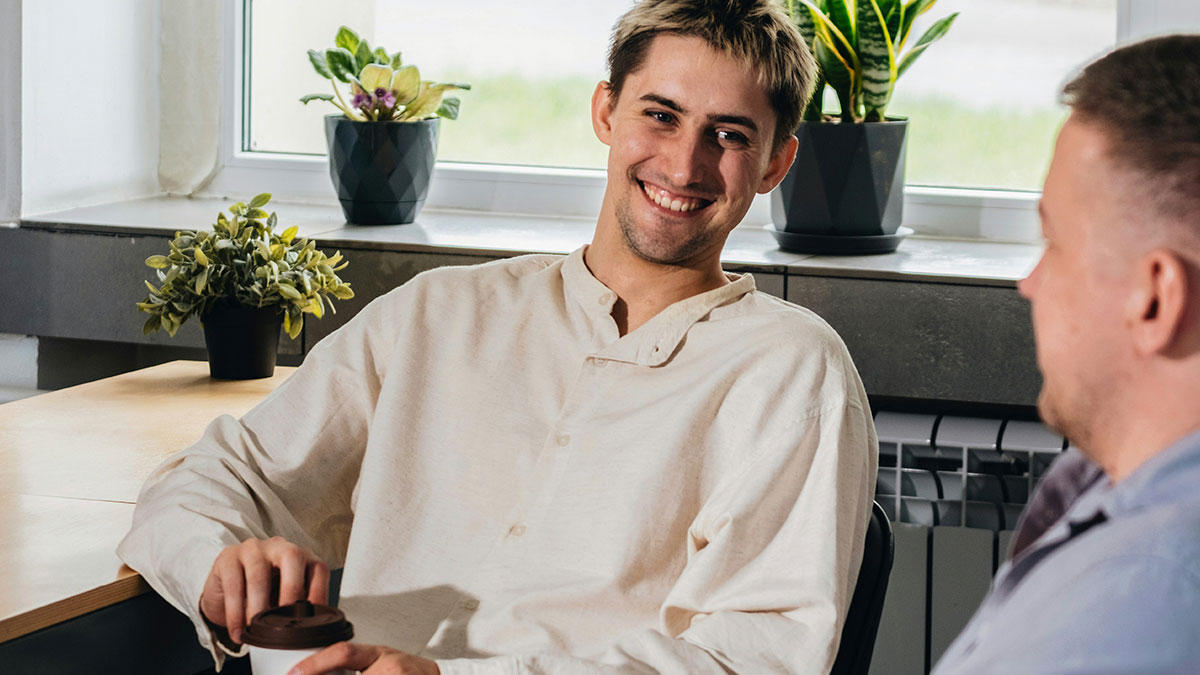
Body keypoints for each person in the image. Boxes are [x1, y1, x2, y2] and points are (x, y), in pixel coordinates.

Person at [119, 1, 878, 673]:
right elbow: (200, 484)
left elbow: (751, 658)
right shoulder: (436, 315)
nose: (684, 162)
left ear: (778, 160)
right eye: (661, 114)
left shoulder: (793, 374)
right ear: (606, 113)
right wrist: (222, 558)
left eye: (730, 134)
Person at [933, 35, 1200, 673]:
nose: (1030, 282)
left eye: (1053, 241)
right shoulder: (1106, 491)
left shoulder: (1136, 608)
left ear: (1154, 299)